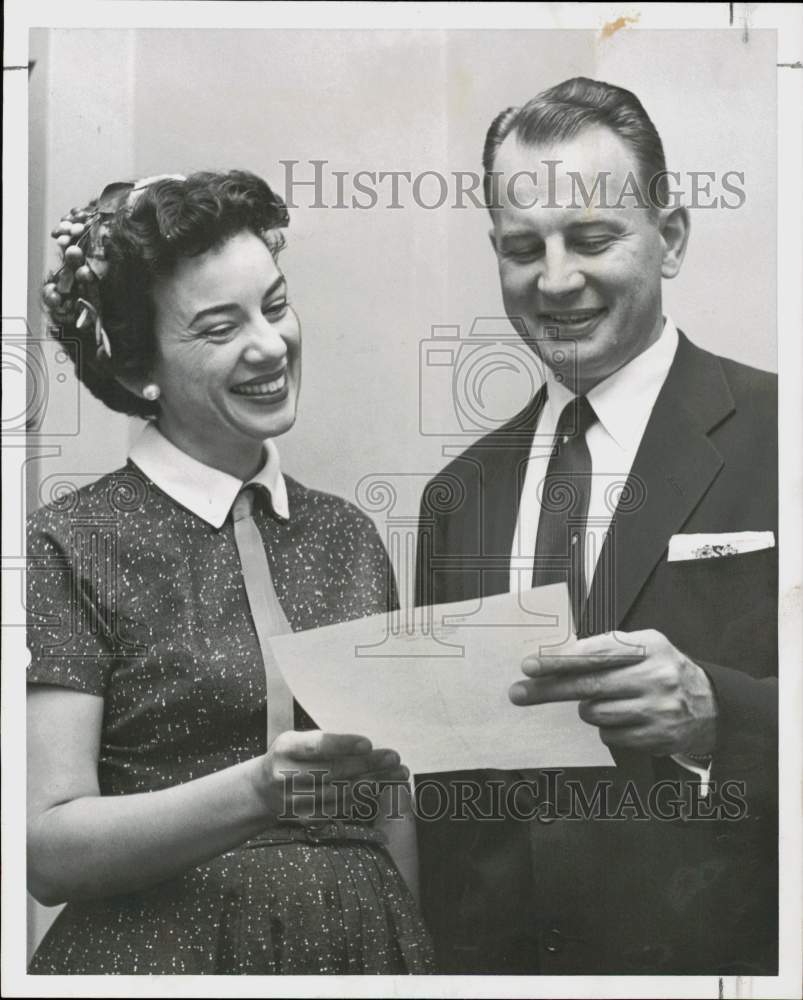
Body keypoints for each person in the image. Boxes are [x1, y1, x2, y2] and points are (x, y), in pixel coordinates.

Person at [27, 170, 434, 974]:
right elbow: (48, 847)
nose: (270, 345)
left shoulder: (348, 537)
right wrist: (256, 793)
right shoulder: (71, 543)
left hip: (366, 946)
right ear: (139, 370)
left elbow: (392, 802)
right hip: (165, 958)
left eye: (275, 306)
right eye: (220, 328)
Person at [415, 78, 777, 975]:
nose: (555, 279)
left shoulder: (786, 433)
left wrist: (716, 718)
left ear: (672, 237)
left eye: (591, 238)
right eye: (520, 247)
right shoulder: (454, 495)